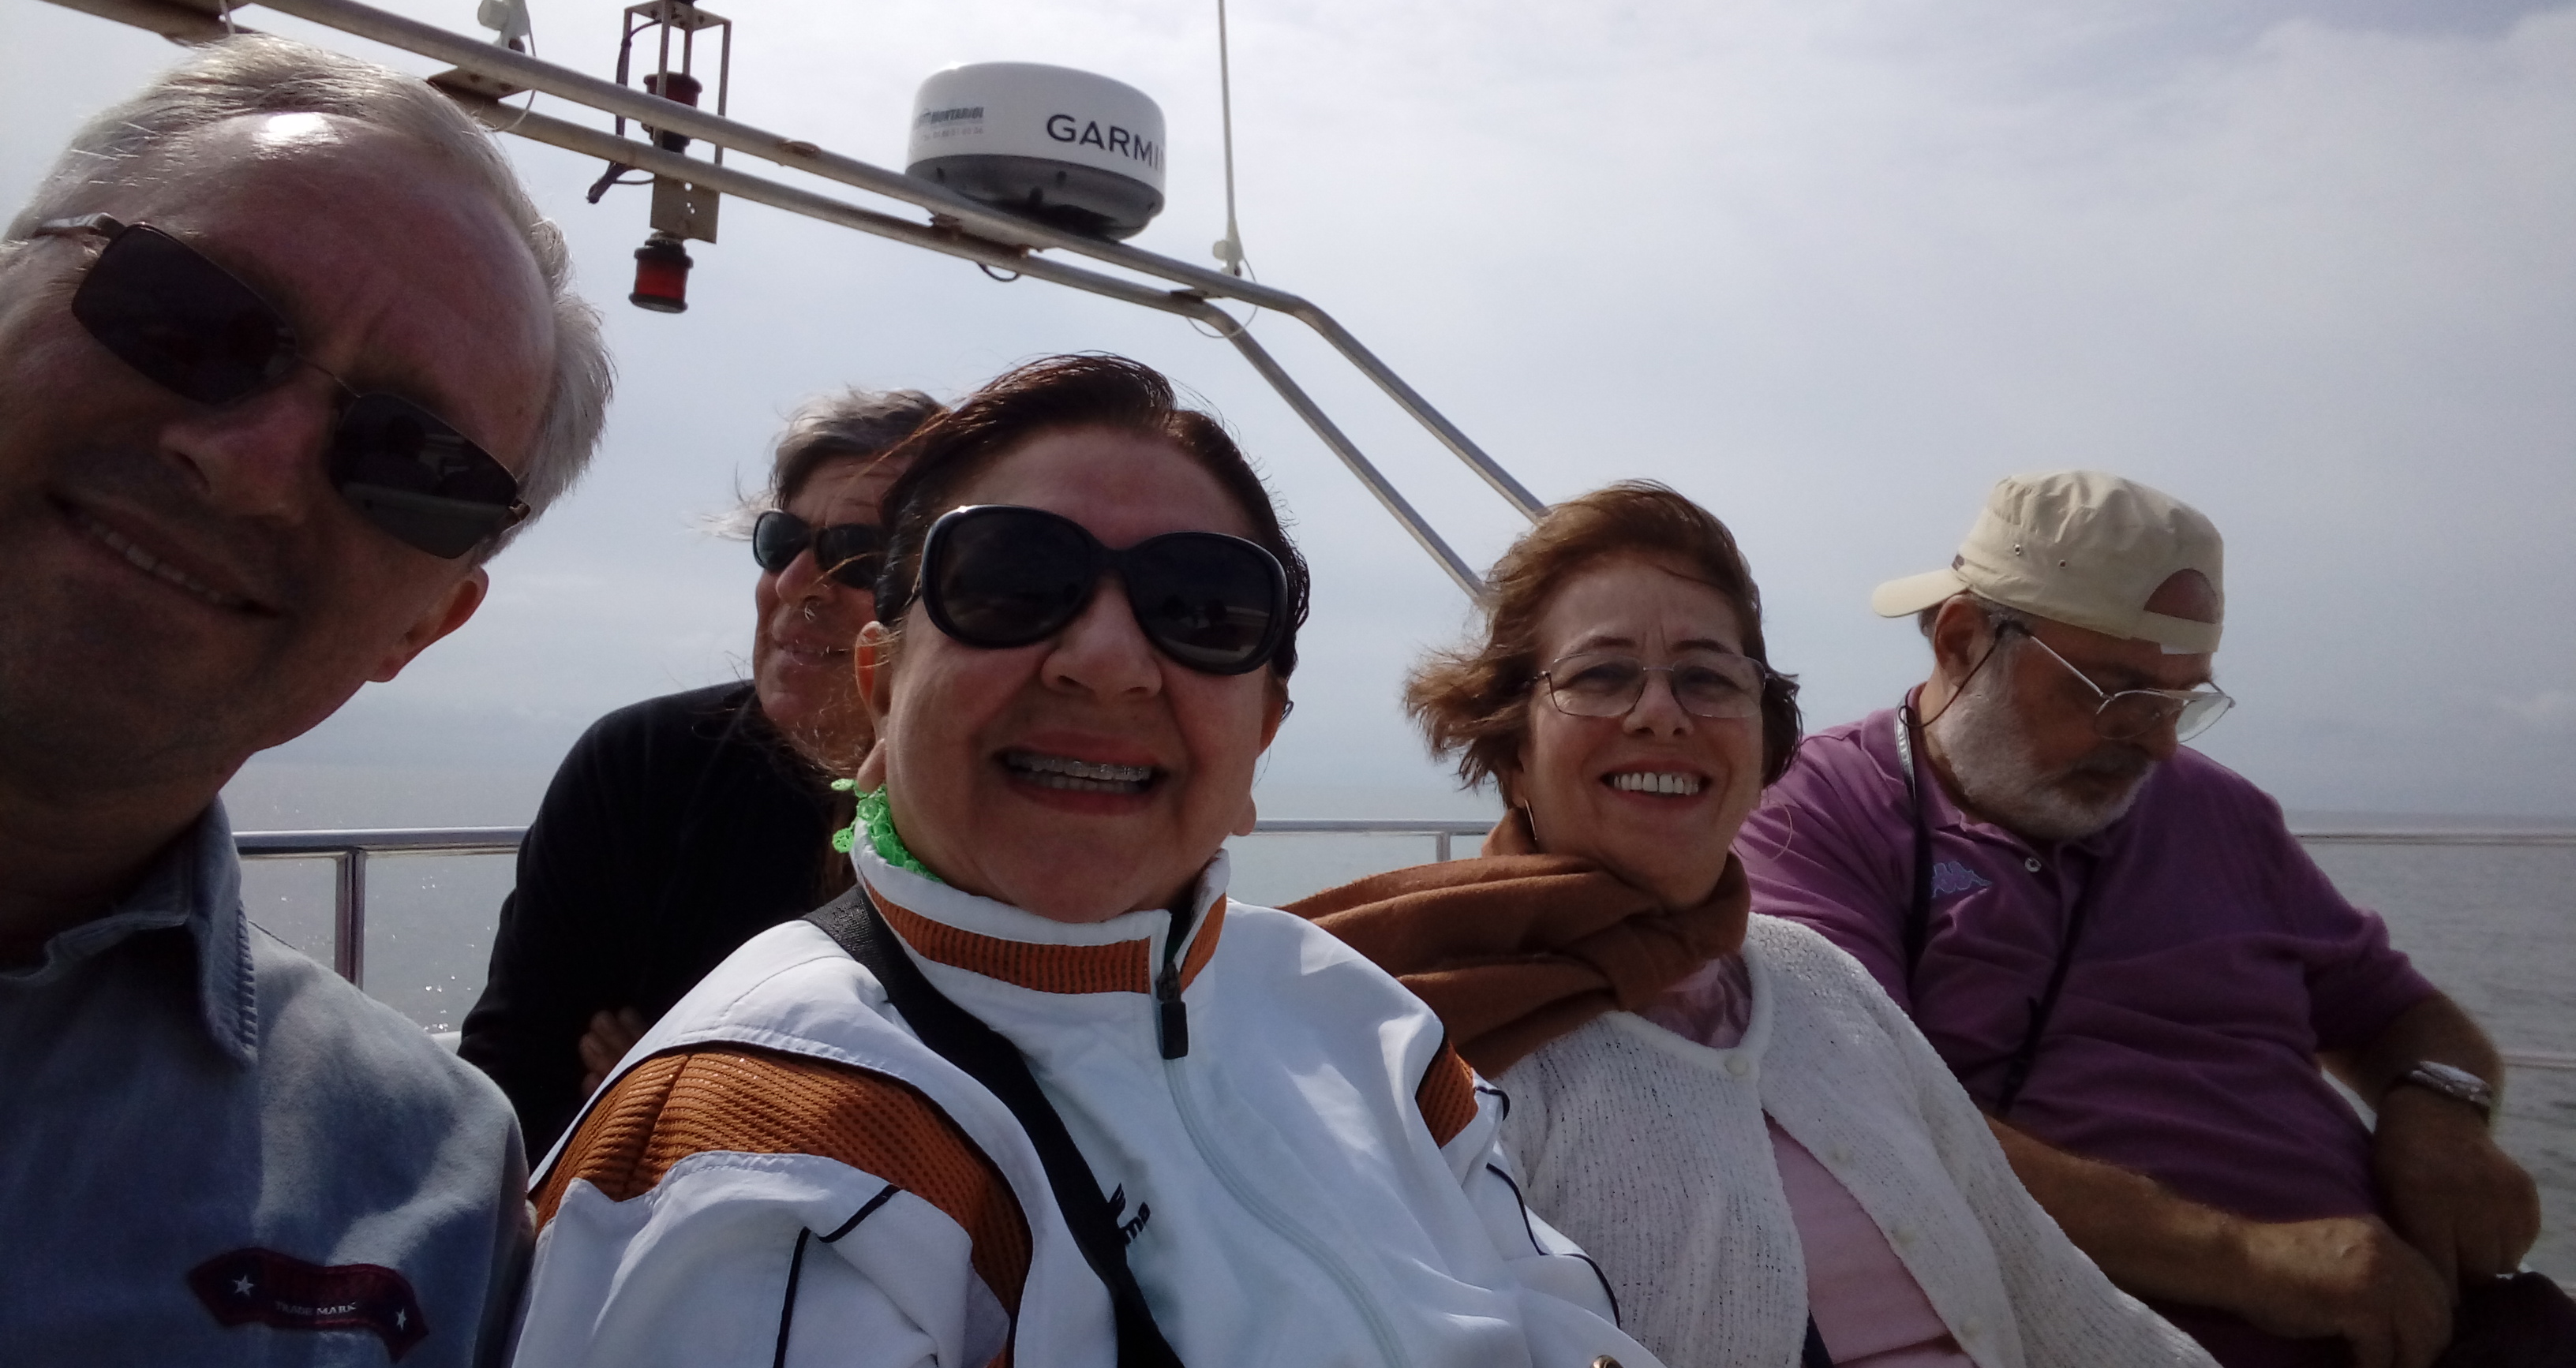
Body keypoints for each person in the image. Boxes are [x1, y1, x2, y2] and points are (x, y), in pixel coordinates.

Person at [507, 355, 1657, 1368]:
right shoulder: (778, 1144)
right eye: (1011, 580)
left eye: (1201, 607)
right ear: (882, 687)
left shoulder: (1367, 1026)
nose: (1107, 659)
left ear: (1260, 737)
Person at [1293, 482, 2213, 1368]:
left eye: (1707, 677)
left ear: (1762, 741)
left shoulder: (1819, 979)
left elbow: (2049, 1288)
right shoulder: (1429, 1045)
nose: (1662, 713)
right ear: (1513, 749)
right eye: (1602, 675)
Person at [0, 36, 612, 1365]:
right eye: (187, 318)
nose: (255, 463)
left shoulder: (430, 1184)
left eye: (413, 459)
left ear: (422, 627)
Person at [1741, 469, 2570, 1368]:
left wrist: (2440, 1114)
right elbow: (1865, 1117)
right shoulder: (1812, 814)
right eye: (2118, 694)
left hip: (2406, 1317)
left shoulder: (2220, 810)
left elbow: (2404, 1017)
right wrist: (2249, 1261)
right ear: (1963, 639)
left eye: (2182, 702)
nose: (2160, 743)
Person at [461, 387, 942, 1153]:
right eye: (783, 541)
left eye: (857, 556)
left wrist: (675, 1094)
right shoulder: (643, 768)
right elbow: (516, 1082)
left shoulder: (987, 818)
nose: (794, 583)